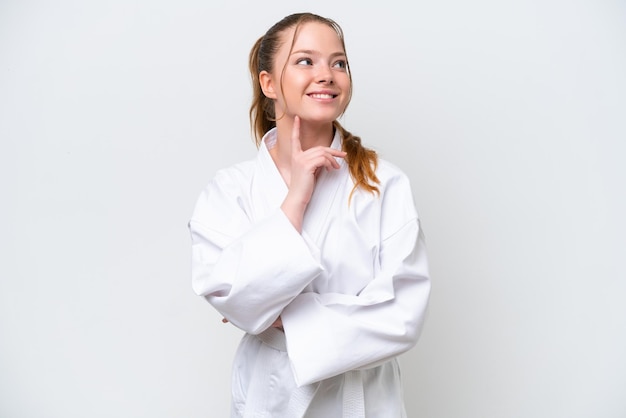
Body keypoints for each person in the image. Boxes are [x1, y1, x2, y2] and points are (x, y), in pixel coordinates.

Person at [189, 12, 431, 417]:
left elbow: (403, 315)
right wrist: (295, 200)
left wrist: (274, 312)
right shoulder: (230, 190)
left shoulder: (385, 184)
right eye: (306, 61)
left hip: (364, 401)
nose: (328, 74)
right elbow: (225, 291)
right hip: (270, 398)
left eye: (339, 63)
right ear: (269, 83)